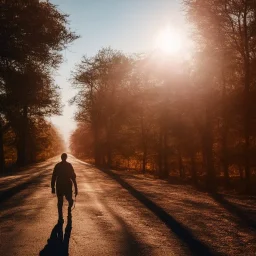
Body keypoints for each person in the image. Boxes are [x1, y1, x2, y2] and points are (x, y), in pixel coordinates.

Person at [51, 153, 78, 222]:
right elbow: (73, 177)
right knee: (63, 201)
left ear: (63, 158)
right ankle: (60, 217)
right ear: (65, 158)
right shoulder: (67, 165)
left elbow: (53, 177)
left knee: (61, 201)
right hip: (65, 185)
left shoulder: (59, 166)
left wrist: (53, 187)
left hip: (61, 185)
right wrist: (76, 187)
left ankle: (62, 215)